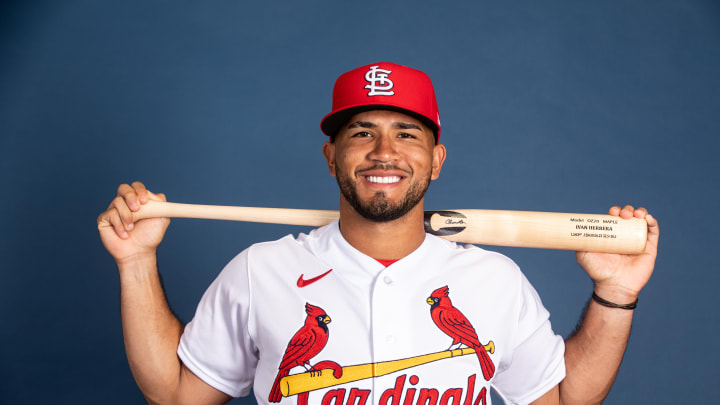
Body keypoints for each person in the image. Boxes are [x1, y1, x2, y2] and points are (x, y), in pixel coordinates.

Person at [98, 62, 659, 405]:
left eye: (406, 134)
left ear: (436, 160)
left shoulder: (494, 281)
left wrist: (616, 294)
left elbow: (562, 400)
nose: (384, 152)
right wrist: (136, 261)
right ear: (331, 156)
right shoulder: (259, 271)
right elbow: (173, 396)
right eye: (362, 131)